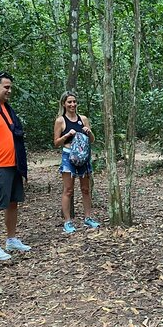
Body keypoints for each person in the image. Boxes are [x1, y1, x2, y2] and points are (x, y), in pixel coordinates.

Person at [0, 72, 30, 260]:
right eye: (6, 87)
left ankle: (11, 239)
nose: (9, 91)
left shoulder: (7, 108)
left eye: (11, 87)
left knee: (13, 203)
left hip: (13, 163)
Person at [53, 91, 100, 233]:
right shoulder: (60, 121)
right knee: (68, 190)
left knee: (86, 189)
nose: (72, 104)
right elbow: (56, 142)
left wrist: (89, 132)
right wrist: (67, 135)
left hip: (83, 156)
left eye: (74, 102)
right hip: (68, 156)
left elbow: (92, 140)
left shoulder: (83, 119)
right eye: (69, 102)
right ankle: (67, 221)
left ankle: (88, 218)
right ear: (64, 104)